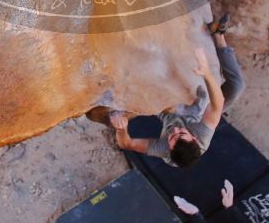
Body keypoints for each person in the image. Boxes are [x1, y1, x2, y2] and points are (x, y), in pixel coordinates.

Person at [103, 12, 246, 168]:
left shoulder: (163, 150)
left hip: (170, 113)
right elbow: (217, 104)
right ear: (195, 139)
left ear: (169, 148)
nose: (176, 130)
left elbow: (127, 144)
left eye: (172, 137)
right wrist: (206, 73)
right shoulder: (203, 135)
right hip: (197, 114)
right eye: (182, 133)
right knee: (237, 86)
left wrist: (121, 129)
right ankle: (218, 35)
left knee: (140, 96)